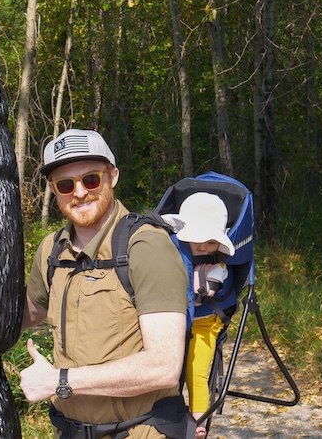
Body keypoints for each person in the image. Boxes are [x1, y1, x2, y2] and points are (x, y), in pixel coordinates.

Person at [19, 128, 195, 439]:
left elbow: (163, 365)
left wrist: (59, 381)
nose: (79, 192)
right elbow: (26, 314)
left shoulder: (145, 247)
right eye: (65, 184)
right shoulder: (51, 250)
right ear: (53, 190)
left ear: (112, 176)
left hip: (139, 432)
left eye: (91, 179)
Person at [163, 192, 235, 439]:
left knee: (196, 371)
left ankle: (199, 420)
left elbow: (205, 289)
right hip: (176, 321)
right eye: (197, 239)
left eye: (211, 241)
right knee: (166, 367)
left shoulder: (216, 267)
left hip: (206, 323)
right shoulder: (174, 254)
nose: (203, 246)